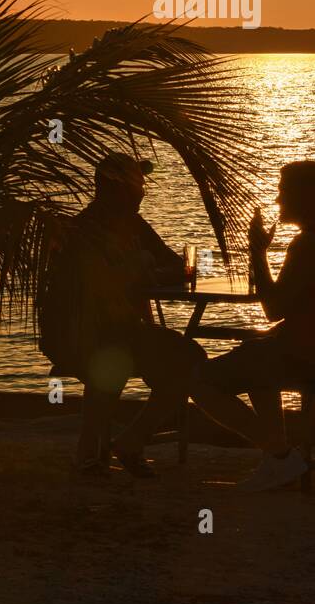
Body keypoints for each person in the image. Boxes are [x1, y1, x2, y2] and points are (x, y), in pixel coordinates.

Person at [191, 160, 315, 492]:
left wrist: (257, 252)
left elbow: (273, 309)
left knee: (199, 381)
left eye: (283, 191)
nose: (278, 200)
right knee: (257, 356)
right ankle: (277, 462)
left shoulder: (307, 244)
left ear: (307, 195)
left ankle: (280, 454)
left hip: (308, 356)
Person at [39, 152, 205, 477]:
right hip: (83, 337)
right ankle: (99, 451)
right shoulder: (83, 233)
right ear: (117, 189)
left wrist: (150, 271)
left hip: (118, 332)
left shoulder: (132, 224)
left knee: (188, 359)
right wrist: (144, 270)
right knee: (172, 359)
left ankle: (122, 444)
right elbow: (98, 287)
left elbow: (174, 263)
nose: (143, 193)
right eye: (138, 187)